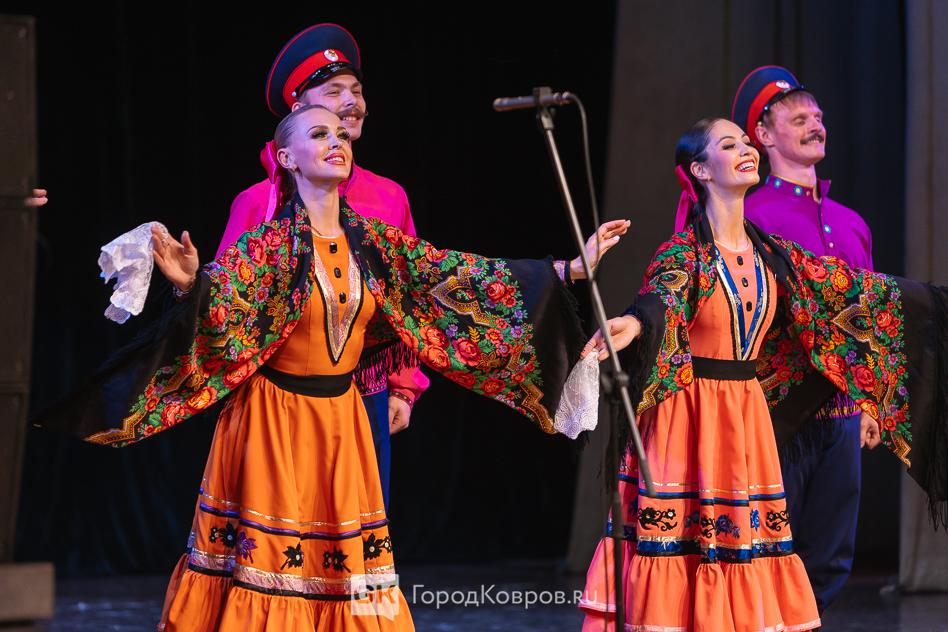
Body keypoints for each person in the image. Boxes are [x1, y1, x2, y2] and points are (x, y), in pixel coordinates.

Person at [35, 105, 627, 631]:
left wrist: (568, 270)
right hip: (272, 423)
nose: (336, 140)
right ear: (286, 158)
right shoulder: (271, 246)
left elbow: (458, 281)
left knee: (343, 570)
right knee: (273, 569)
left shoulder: (374, 244)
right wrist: (193, 283)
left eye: (341, 134)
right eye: (318, 134)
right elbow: (225, 308)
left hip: (343, 423)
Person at [577, 117, 948, 632]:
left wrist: (933, 306)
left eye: (748, 142)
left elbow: (848, 294)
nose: (746, 149)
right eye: (730, 145)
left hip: (746, 418)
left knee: (749, 550)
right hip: (689, 418)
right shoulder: (685, 253)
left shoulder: (773, 257)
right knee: (686, 550)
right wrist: (636, 322)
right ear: (701, 170)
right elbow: (665, 296)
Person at [733, 65, 879, 612]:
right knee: (769, 544)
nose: (815, 125)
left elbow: (867, 318)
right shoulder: (747, 215)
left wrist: (871, 401)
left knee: (831, 553)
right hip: (777, 413)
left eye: (817, 117)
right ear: (764, 135)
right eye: (798, 119)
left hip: (842, 412)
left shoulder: (852, 223)